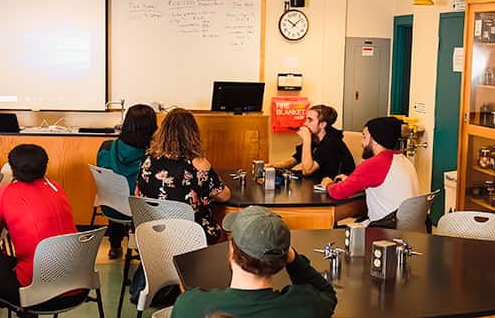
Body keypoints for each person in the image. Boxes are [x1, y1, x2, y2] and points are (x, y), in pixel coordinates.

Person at [0, 144, 80, 318]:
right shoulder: (57, 188)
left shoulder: (5, 193)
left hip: (36, 293)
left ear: (12, 169)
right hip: (77, 285)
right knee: (25, 262)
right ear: (45, 167)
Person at [171, 206, 337, 318]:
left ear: (231, 250)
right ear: (283, 259)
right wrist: (294, 260)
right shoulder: (307, 306)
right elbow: (327, 294)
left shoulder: (190, 306)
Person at [137, 109, 231, 243]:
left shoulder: (147, 160)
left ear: (162, 132)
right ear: (192, 134)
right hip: (191, 237)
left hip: (154, 235)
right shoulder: (198, 164)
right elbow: (224, 196)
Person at [319, 116, 418, 228]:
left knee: (332, 231)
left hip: (385, 229)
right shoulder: (403, 159)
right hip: (406, 227)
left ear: (374, 140)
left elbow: (339, 192)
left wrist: (328, 184)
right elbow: (384, 184)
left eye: (364, 137)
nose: (361, 142)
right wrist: (350, 181)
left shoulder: (375, 163)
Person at [96, 103, 157, 259]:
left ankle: (114, 246)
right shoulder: (151, 156)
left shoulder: (106, 147)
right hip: (137, 211)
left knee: (117, 193)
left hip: (108, 206)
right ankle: (140, 246)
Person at [270, 105, 354, 180]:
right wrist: (270, 166)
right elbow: (292, 161)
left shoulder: (332, 142)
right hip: (317, 184)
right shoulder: (315, 138)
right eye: (306, 119)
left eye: (310, 120)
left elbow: (307, 170)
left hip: (336, 189)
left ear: (322, 125)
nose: (305, 123)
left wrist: (307, 139)